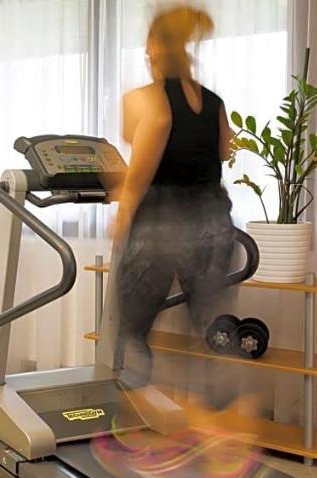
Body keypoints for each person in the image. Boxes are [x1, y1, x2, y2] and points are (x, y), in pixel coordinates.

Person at [112, 6, 236, 391]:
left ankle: (132, 397)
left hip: (162, 223)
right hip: (214, 221)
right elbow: (224, 150)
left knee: (132, 324)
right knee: (210, 323)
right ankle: (220, 405)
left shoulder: (144, 99)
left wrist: (121, 219)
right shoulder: (213, 101)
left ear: (153, 45)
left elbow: (138, 171)